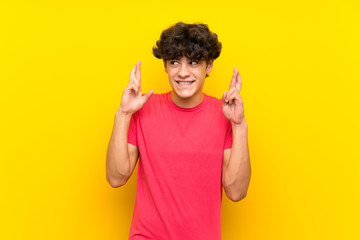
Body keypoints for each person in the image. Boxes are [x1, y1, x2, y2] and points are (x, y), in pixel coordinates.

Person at [106, 22, 251, 240]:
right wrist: (123, 114)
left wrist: (239, 126)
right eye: (174, 62)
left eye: (193, 62)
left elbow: (236, 192)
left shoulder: (226, 115)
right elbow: (116, 177)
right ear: (165, 66)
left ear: (209, 65)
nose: (183, 72)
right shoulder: (143, 110)